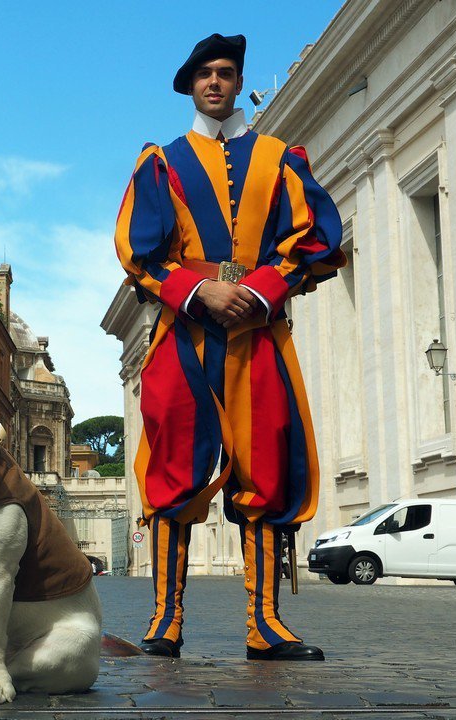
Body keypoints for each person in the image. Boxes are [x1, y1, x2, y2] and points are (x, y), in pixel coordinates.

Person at [114, 33, 345, 661]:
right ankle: (166, 619)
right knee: (172, 473)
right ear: (191, 87)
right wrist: (202, 292)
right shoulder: (160, 163)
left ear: (238, 83)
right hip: (183, 338)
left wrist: (265, 289)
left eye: (225, 73)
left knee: (265, 468)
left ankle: (264, 624)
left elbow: (317, 239)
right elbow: (141, 252)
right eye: (204, 75)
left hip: (260, 334)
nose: (215, 83)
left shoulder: (281, 158)